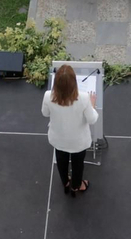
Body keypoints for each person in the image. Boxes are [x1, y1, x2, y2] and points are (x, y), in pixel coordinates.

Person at [43, 64, 99, 199]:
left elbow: (45, 113)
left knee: (61, 162)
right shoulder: (84, 98)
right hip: (78, 142)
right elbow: (92, 119)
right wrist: (92, 105)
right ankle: (76, 186)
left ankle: (65, 182)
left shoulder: (48, 96)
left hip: (58, 139)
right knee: (78, 164)